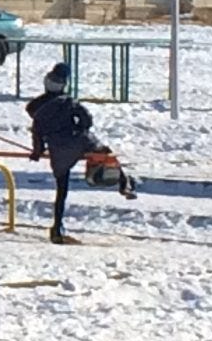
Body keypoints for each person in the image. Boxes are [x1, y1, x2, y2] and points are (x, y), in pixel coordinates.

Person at [26, 61, 136, 244]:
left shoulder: (37, 109)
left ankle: (56, 227)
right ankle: (125, 184)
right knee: (106, 154)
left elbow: (37, 133)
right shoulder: (69, 101)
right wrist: (79, 128)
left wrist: (37, 152)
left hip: (57, 149)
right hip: (79, 140)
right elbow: (87, 119)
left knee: (61, 190)